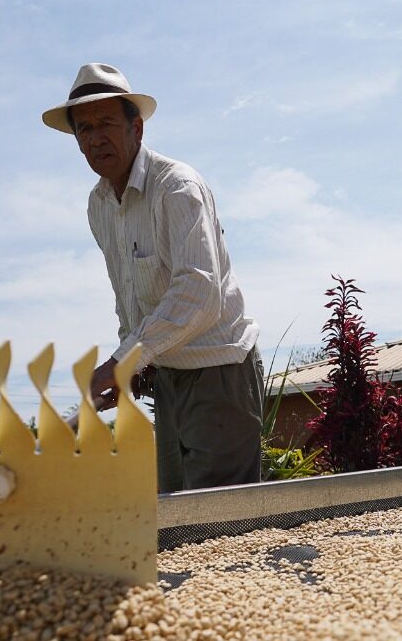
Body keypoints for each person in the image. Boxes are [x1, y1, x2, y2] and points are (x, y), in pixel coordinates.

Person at [42, 63, 263, 492]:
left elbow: (199, 291)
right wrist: (134, 368)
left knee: (217, 521)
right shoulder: (100, 204)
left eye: (107, 122)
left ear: (136, 129)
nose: (95, 137)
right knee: (177, 512)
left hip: (218, 371)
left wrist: (122, 360)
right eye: (84, 129)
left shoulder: (176, 186)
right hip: (166, 376)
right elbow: (129, 295)